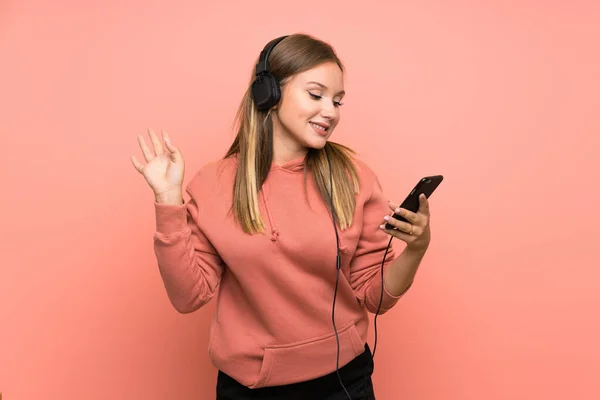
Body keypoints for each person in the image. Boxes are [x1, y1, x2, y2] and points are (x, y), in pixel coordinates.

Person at [130, 33, 433, 400]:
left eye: (337, 101)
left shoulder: (354, 177)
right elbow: (188, 297)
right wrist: (167, 201)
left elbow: (375, 296)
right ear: (268, 94)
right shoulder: (214, 184)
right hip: (251, 389)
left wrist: (416, 249)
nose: (330, 111)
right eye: (316, 94)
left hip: (344, 381)